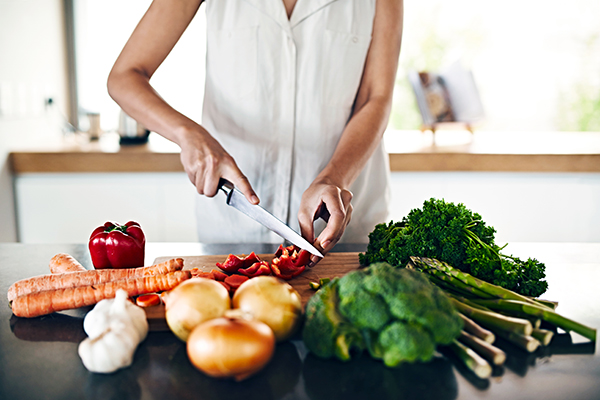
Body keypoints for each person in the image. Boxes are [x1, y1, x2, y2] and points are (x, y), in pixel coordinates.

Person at [107, 0, 403, 263]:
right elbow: (125, 76)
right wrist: (188, 134)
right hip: (231, 228)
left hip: (344, 230)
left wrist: (335, 177)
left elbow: (374, 98)